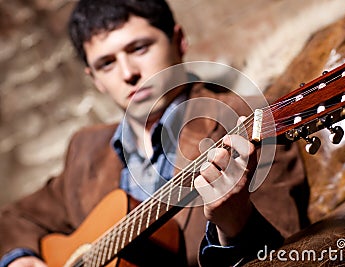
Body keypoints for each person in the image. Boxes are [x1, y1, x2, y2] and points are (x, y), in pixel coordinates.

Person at [0, 0, 305, 266]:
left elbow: (288, 252)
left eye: (139, 48)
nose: (128, 72)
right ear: (94, 80)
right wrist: (21, 258)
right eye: (106, 64)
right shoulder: (86, 147)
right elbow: (14, 219)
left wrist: (236, 224)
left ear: (179, 40)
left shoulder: (245, 120)